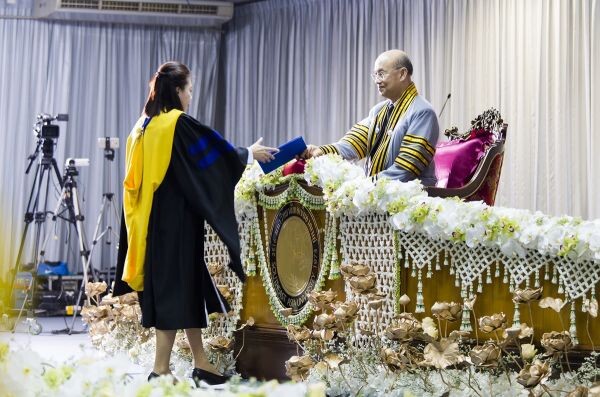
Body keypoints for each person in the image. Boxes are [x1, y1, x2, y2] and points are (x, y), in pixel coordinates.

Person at [112, 61, 277, 386]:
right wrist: (247, 153)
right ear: (177, 90)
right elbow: (212, 157)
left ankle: (201, 362)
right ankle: (161, 368)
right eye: (189, 90)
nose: (190, 96)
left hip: (148, 224)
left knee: (187, 287)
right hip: (174, 224)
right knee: (175, 291)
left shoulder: (142, 126)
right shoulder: (176, 124)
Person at [303, 50, 439, 186]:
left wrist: (366, 185)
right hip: (377, 193)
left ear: (402, 74)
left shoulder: (422, 112)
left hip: (412, 199)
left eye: (381, 74)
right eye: (375, 75)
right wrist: (320, 151)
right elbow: (353, 143)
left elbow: (406, 168)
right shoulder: (378, 111)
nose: (377, 81)